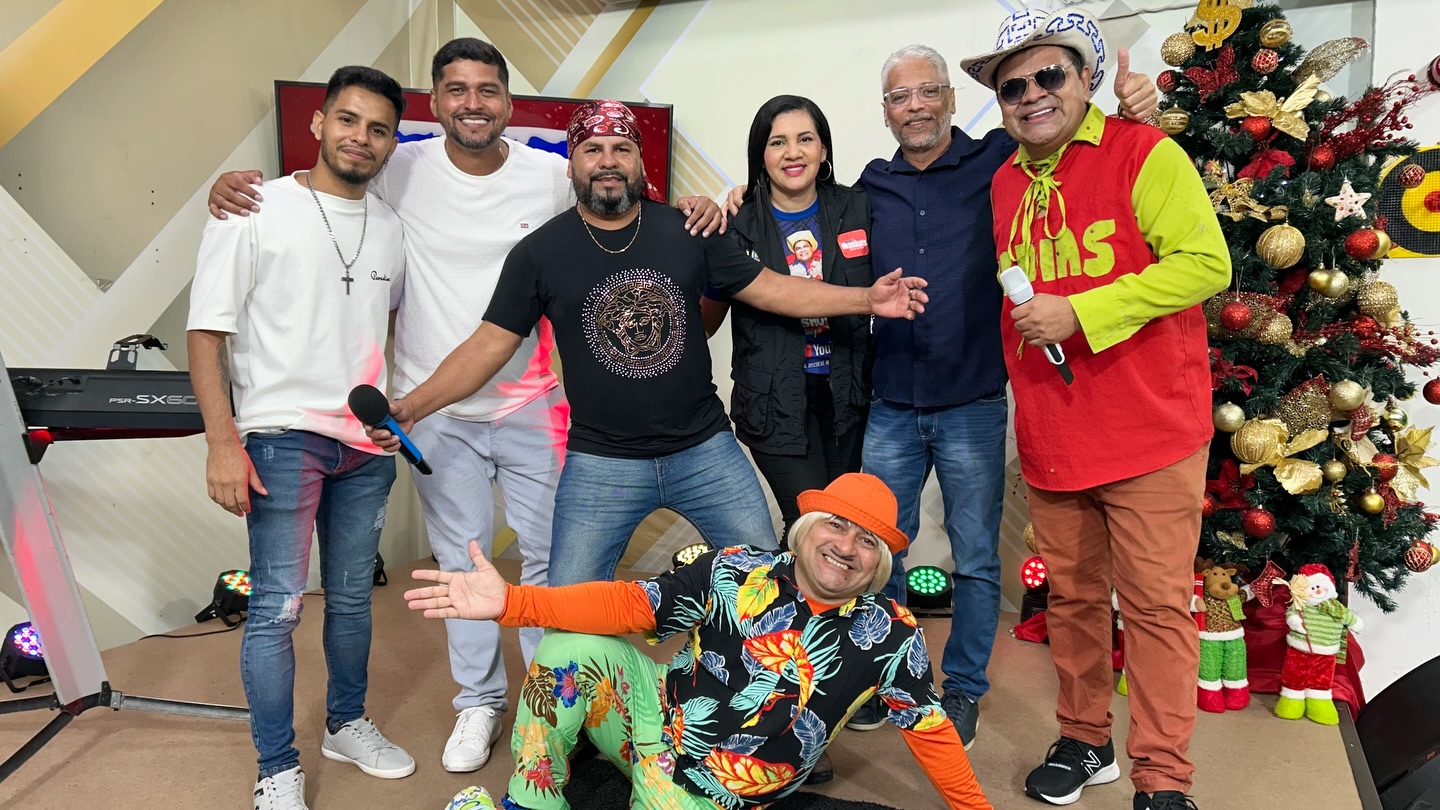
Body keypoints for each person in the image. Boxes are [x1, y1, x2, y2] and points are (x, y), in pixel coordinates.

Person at [206, 39, 724, 775]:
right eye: (456, 89)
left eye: (487, 90)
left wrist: (695, 206)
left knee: (552, 567)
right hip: (434, 410)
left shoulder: (549, 174)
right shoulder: (399, 168)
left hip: (533, 401)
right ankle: (479, 702)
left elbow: (621, 203)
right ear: (436, 101)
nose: (472, 103)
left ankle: (554, 703)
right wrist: (233, 187)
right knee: (462, 563)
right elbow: (321, 188)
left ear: (508, 103)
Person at [369, 100, 928, 598]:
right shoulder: (539, 253)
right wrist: (413, 406)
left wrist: (866, 299)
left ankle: (759, 682)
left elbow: (772, 288)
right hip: (600, 460)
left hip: (704, 450)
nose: (608, 161)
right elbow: (489, 344)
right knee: (568, 602)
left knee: (764, 586)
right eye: (592, 149)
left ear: (641, 162)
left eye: (622, 148)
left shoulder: (691, 231)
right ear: (571, 164)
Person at [843, 36, 1157, 747]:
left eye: (928, 91)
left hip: (973, 400)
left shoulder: (999, 159)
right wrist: (735, 195)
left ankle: (962, 690)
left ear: (952, 100)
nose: (915, 106)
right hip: (891, 402)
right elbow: (797, 210)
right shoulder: (868, 185)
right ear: (886, 111)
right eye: (900, 97)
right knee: (876, 551)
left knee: (978, 560)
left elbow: (1070, 141)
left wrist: (1136, 112)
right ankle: (888, 677)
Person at [960, 8, 1230, 809]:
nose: (1032, 96)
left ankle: (1163, 776)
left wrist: (1082, 312)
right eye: (1013, 87)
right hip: (1055, 431)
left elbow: (1205, 264)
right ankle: (1084, 739)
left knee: (1154, 609)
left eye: (1049, 76)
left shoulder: (1146, 153)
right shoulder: (1005, 181)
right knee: (1072, 603)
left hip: (1151, 430)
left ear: (1086, 78)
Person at [405, 473, 993, 810]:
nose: (846, 546)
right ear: (807, 530)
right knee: (567, 650)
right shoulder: (733, 567)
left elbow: (931, 731)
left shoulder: (892, 633)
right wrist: (514, 603)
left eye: (867, 541)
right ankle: (532, 804)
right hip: (653, 721)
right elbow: (631, 605)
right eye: (836, 525)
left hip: (719, 790)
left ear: (880, 563)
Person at [187, 66, 414, 810]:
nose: (361, 138)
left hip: (364, 448)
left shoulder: (390, 226)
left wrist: (388, 415)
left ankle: (345, 723)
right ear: (317, 123)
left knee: (352, 601)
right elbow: (206, 333)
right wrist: (222, 443)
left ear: (391, 142)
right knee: (277, 609)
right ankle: (277, 767)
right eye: (347, 120)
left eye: (378, 128)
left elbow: (379, 328)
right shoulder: (252, 208)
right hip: (281, 440)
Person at [701, 95, 872, 546]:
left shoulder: (859, 207)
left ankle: (794, 591)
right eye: (777, 142)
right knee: (812, 521)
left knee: (839, 522)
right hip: (774, 404)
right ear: (761, 153)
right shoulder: (736, 223)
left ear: (824, 149)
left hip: (848, 398)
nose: (792, 153)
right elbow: (706, 321)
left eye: (805, 139)